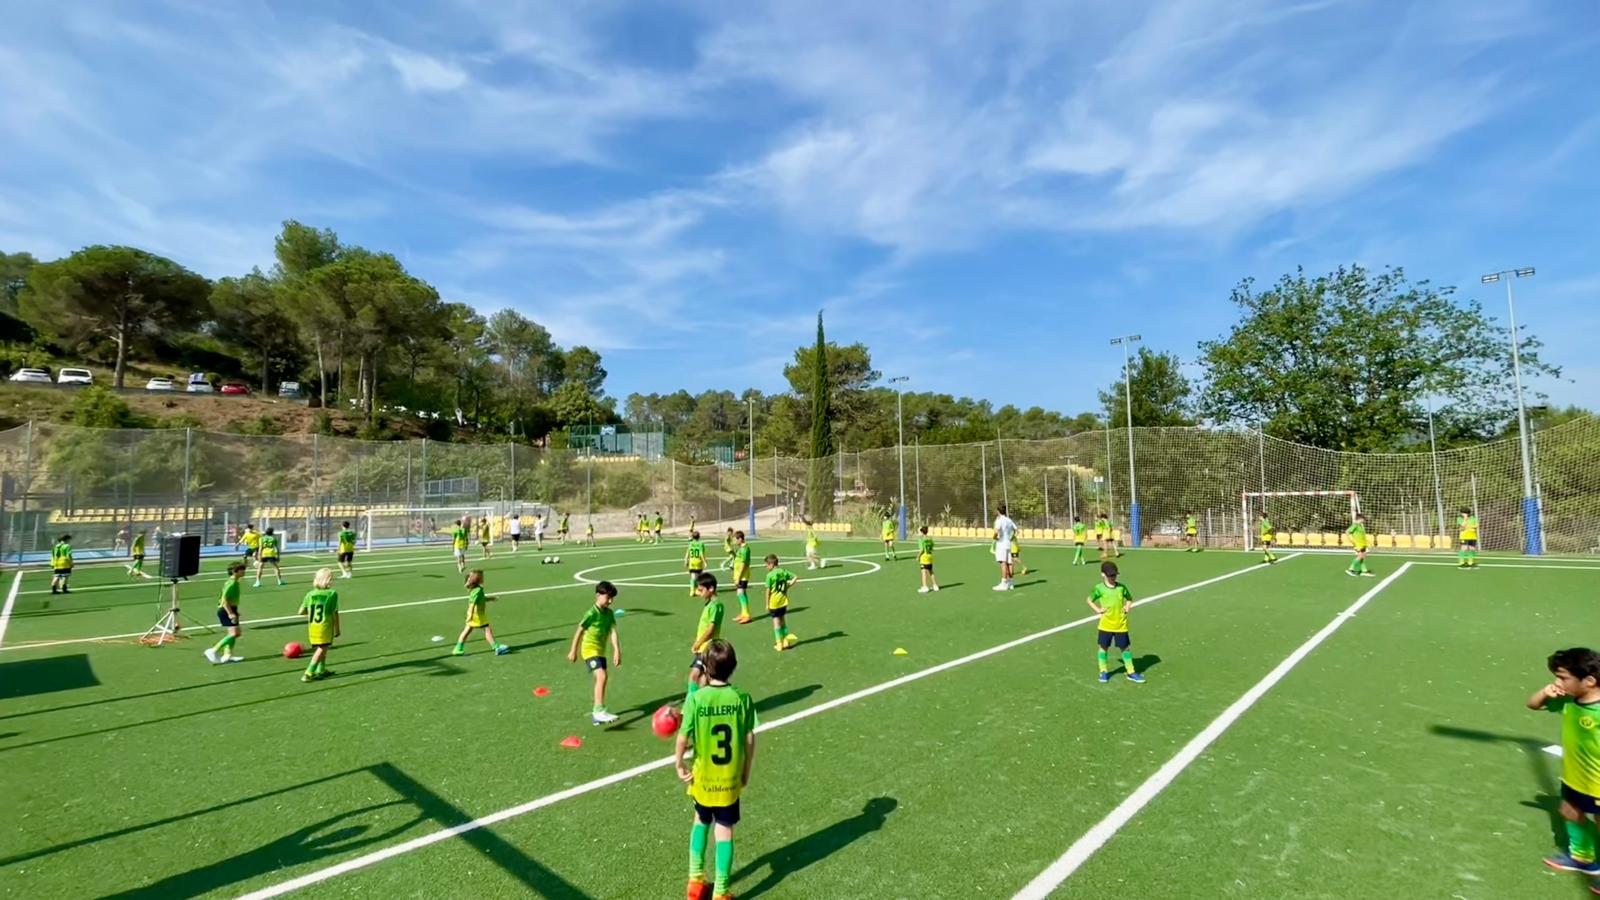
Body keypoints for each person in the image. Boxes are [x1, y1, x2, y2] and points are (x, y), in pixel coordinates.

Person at [676, 639, 756, 900]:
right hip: (729, 780)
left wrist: (679, 763)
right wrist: (746, 771)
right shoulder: (742, 698)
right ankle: (721, 892)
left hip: (703, 779)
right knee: (725, 830)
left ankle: (695, 882)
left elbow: (682, 736)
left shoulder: (697, 699)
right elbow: (749, 738)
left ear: (706, 669)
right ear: (733, 666)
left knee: (700, 821)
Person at [1528, 647, 1600, 875]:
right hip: (1574, 776)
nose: (1557, 682)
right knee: (1569, 810)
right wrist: (1545, 692)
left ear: (1589, 681)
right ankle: (1582, 858)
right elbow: (1533, 704)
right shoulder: (1568, 700)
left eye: (1562, 677)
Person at [567, 580, 621, 725]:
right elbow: (579, 631)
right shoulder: (591, 613)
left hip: (600, 650)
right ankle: (598, 711)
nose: (610, 601)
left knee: (600, 678)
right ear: (598, 595)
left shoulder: (609, 613)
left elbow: (613, 632)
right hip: (589, 649)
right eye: (608, 597)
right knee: (602, 675)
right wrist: (573, 650)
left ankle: (597, 710)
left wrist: (617, 650)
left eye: (612, 598)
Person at [1086, 561, 1144, 683]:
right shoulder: (1099, 588)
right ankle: (1103, 671)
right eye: (1110, 576)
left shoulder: (1121, 588)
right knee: (1103, 647)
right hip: (1106, 625)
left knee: (1125, 648)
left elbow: (1129, 599)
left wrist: (1128, 607)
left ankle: (1131, 672)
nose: (1113, 578)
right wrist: (1098, 610)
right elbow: (1089, 599)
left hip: (1120, 625)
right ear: (1103, 574)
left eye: (1114, 575)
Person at [298, 568, 341, 682]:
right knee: (322, 648)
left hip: (313, 627)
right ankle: (309, 672)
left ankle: (321, 670)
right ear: (328, 580)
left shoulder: (310, 594)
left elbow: (301, 611)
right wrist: (337, 629)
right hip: (325, 626)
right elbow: (334, 612)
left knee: (322, 647)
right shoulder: (332, 594)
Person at [453, 569, 509, 656]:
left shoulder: (477, 590)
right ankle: (496, 647)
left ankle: (458, 648)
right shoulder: (477, 590)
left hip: (476, 615)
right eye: (482, 577)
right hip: (477, 615)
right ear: (478, 579)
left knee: (467, 631)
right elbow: (472, 604)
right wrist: (470, 616)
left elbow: (481, 599)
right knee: (487, 629)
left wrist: (490, 599)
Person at [685, 572, 723, 695]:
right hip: (704, 647)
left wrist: (698, 643)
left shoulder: (716, 606)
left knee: (694, 675)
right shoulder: (710, 604)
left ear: (711, 589)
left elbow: (711, 629)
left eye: (701, 590)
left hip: (707, 647)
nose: (699, 593)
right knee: (703, 677)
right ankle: (701, 701)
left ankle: (692, 704)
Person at [205, 563, 248, 664]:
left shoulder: (234, 582)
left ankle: (227, 655)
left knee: (233, 634)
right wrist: (230, 613)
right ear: (235, 571)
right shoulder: (232, 583)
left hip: (232, 608)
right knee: (235, 633)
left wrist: (235, 611)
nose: (244, 572)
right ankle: (213, 650)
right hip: (226, 610)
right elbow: (225, 600)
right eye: (242, 570)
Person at [764, 554, 800, 651]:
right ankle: (786, 641)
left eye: (767, 565)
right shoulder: (784, 572)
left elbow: (768, 591)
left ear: (771, 564)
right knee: (783, 621)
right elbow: (796, 577)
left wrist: (767, 604)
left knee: (776, 623)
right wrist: (788, 586)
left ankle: (779, 644)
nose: (766, 567)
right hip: (783, 601)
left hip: (774, 602)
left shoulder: (770, 575)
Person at [992, 504, 1018, 591]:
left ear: (998, 511)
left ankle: (1003, 583)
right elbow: (1016, 530)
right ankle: (1011, 583)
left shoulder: (999, 520)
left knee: (1003, 563)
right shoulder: (1009, 520)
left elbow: (996, 531)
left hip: (1001, 544)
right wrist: (1012, 537)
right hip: (1008, 544)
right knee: (1009, 563)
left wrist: (995, 537)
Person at [732, 531, 754, 623]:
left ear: (740, 539)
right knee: (740, 593)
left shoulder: (745, 549)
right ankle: (743, 613)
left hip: (743, 576)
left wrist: (738, 577)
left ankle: (747, 615)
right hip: (739, 575)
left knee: (741, 593)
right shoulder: (740, 548)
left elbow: (744, 564)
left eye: (735, 540)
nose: (734, 542)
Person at [1346, 513, 1373, 577]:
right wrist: (1351, 541)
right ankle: (1350, 569)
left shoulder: (1360, 526)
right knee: (1360, 556)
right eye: (1363, 519)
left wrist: (1367, 542)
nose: (1364, 521)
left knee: (1362, 557)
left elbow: (1362, 536)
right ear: (1360, 519)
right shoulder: (1355, 525)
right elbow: (1347, 532)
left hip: (1362, 544)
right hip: (1358, 545)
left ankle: (1364, 571)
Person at [684, 530, 708, 597]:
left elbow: (687, 553)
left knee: (693, 577)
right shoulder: (701, 544)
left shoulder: (690, 543)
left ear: (693, 537)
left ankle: (692, 591)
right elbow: (701, 554)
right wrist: (704, 562)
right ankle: (698, 589)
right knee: (699, 577)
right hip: (698, 562)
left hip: (692, 562)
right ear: (699, 537)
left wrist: (686, 561)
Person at [917, 526, 940, 593]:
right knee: (931, 571)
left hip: (924, 557)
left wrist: (918, 556)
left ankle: (924, 586)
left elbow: (922, 550)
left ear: (921, 532)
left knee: (923, 572)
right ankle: (935, 586)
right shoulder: (930, 539)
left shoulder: (921, 539)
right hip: (930, 556)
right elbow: (932, 546)